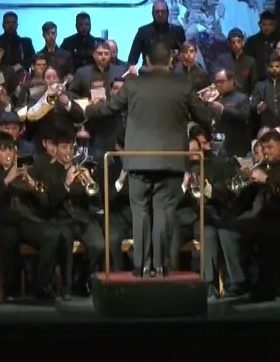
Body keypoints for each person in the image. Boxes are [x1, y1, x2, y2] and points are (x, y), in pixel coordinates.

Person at [82, 38, 209, 276]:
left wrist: (88, 109)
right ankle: (161, 266)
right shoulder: (183, 85)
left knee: (140, 212)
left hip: (138, 159)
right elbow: (203, 115)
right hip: (172, 160)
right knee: (163, 211)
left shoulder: (132, 84)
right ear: (171, 60)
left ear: (147, 60)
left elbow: (109, 108)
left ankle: (140, 266)